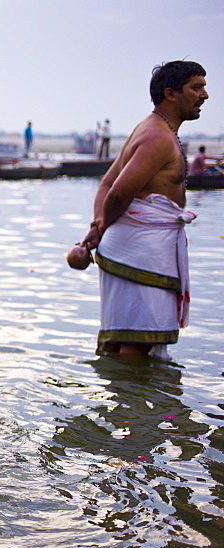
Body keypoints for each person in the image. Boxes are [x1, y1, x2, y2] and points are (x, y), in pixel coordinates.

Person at [78, 60, 207, 358]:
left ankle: (120, 399)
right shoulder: (158, 137)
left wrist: (98, 225)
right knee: (138, 344)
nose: (205, 96)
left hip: (134, 250)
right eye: (196, 88)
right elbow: (119, 192)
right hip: (140, 253)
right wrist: (99, 230)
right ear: (171, 94)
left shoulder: (151, 128)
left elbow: (106, 185)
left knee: (125, 343)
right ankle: (132, 402)